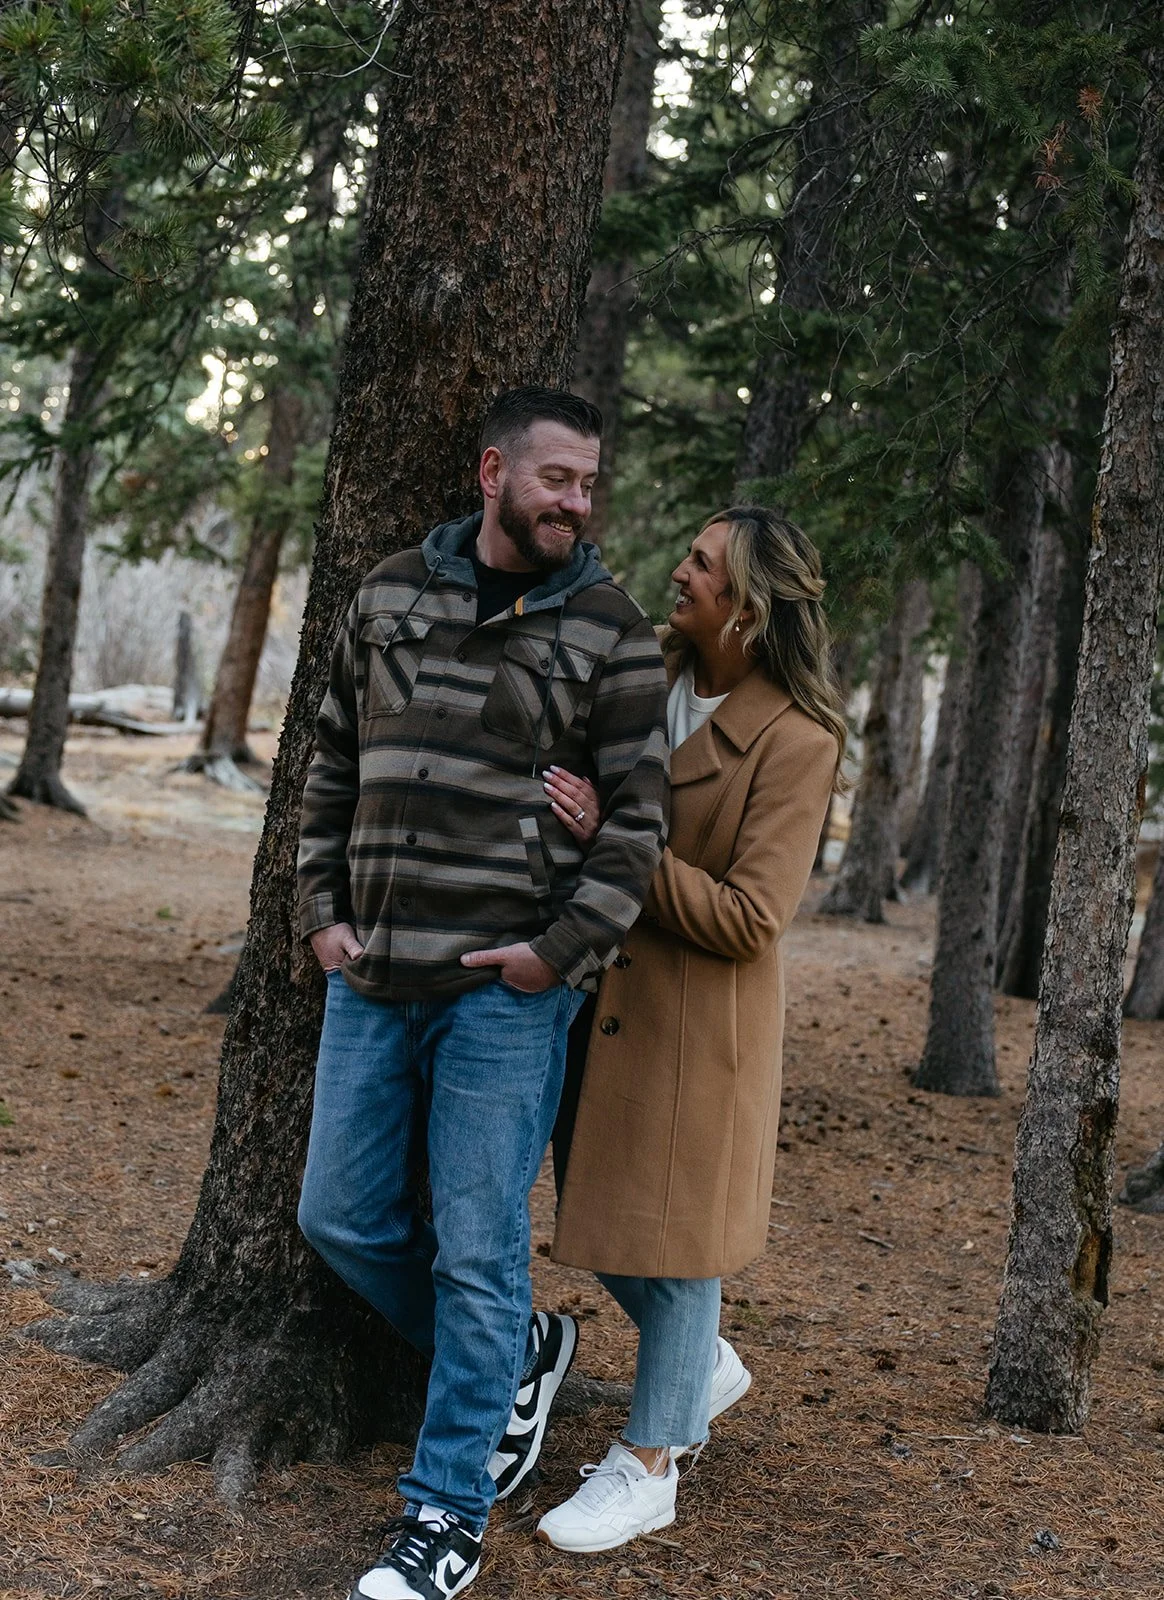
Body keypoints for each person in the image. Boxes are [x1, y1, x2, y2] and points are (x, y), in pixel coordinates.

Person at [295, 387, 669, 1600]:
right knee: (339, 1218)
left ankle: (442, 1518)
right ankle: (520, 1350)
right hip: (374, 973)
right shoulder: (391, 592)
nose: (577, 501)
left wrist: (553, 956)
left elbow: (637, 829)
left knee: (476, 1245)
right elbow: (332, 758)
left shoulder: (610, 626)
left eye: (590, 485)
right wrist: (322, 913)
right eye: (558, 478)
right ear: (494, 469)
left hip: (505, 993)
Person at [535, 505, 846, 1553]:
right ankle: (699, 1359)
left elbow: (754, 916)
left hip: (693, 1022)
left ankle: (652, 1462)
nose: (680, 570)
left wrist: (615, 843)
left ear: (750, 609)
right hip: (596, 989)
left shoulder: (799, 741)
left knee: (676, 1239)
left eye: (703, 565)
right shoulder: (645, 670)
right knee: (596, 1198)